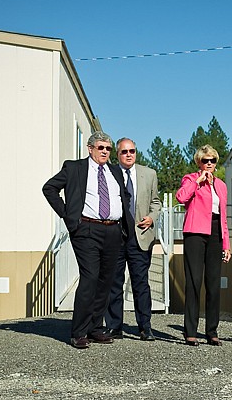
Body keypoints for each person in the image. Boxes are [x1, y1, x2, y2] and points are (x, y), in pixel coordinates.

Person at [42, 131, 134, 349]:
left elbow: (124, 196)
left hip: (113, 231)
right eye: (101, 147)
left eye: (108, 149)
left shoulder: (115, 171)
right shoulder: (74, 168)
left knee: (106, 280)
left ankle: (94, 328)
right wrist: (68, 216)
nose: (104, 152)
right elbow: (50, 188)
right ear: (90, 148)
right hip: (86, 230)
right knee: (90, 277)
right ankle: (78, 331)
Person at [105, 138, 162, 341]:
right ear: (117, 155)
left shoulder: (149, 174)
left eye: (132, 151)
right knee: (114, 283)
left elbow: (156, 202)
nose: (128, 155)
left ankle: (145, 327)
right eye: (124, 152)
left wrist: (152, 217)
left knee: (140, 283)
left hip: (140, 236)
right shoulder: (109, 173)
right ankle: (114, 327)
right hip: (115, 237)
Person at [175, 145, 231, 346]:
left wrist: (227, 244)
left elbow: (223, 217)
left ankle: (212, 331)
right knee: (194, 281)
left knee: (214, 285)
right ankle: (190, 331)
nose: (209, 164)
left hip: (216, 233)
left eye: (212, 161)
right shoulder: (191, 179)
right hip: (195, 233)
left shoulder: (222, 185)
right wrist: (198, 182)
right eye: (205, 160)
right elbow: (181, 198)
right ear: (199, 162)